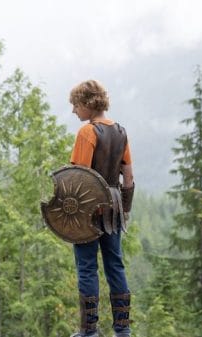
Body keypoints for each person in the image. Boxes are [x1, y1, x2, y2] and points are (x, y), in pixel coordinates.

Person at [68, 80, 135, 337]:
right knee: (115, 265)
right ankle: (123, 330)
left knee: (87, 267)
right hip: (114, 207)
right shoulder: (121, 131)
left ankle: (89, 331)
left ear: (87, 103)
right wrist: (125, 210)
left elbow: (79, 177)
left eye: (75, 105)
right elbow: (128, 177)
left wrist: (71, 214)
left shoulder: (87, 133)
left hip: (89, 210)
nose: (74, 111)